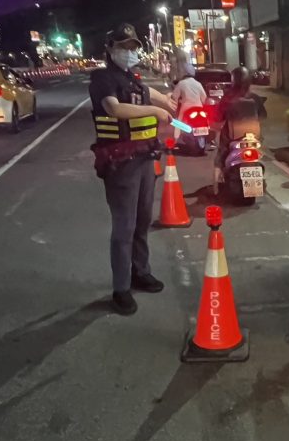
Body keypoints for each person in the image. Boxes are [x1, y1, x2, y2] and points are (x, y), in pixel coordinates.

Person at [89, 22, 176, 315]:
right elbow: (114, 108)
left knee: (142, 220)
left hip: (144, 158)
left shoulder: (132, 79)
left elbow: (149, 93)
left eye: (132, 46)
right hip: (120, 162)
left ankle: (141, 271)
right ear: (110, 49)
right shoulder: (102, 79)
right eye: (123, 46)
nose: (129, 51)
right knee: (124, 226)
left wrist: (169, 100)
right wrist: (156, 110)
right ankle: (121, 289)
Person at [213, 66, 267, 194]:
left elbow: (218, 117)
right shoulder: (255, 98)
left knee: (220, 156)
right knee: (260, 149)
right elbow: (263, 116)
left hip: (233, 137)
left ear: (234, 80)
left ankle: (215, 187)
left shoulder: (227, 98)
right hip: (254, 137)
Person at [172, 63, 208, 153]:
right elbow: (204, 98)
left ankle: (175, 140)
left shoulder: (181, 83)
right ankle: (211, 141)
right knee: (207, 120)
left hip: (186, 107)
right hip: (199, 107)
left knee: (178, 122)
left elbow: (174, 97)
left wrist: (175, 103)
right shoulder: (198, 84)